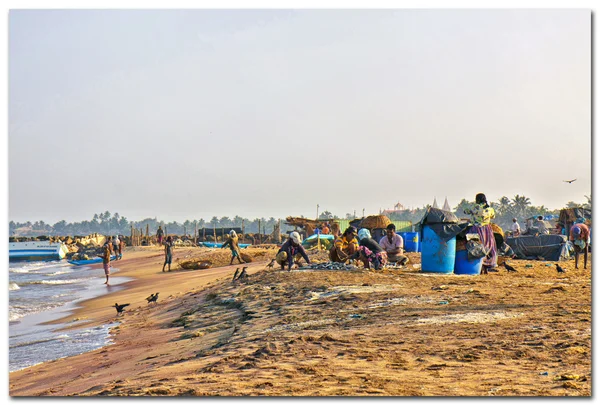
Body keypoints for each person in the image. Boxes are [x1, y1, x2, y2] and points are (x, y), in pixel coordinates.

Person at [464, 193, 497, 274]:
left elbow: (465, 211)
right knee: (488, 246)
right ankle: (487, 265)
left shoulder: (474, 207)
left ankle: (478, 265)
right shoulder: (490, 209)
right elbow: (493, 216)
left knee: (475, 247)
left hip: (475, 229)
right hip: (487, 230)